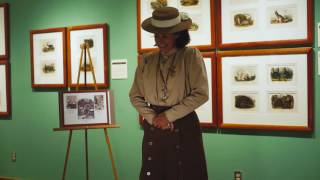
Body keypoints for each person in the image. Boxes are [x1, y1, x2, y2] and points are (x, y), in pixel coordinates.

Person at [129, 6, 209, 180]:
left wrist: (169, 116)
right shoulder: (147, 60)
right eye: (157, 36)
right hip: (155, 125)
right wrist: (153, 118)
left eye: (165, 36)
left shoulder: (191, 56)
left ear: (178, 35)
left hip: (184, 124)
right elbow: (135, 95)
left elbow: (201, 93)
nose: (160, 41)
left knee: (185, 172)